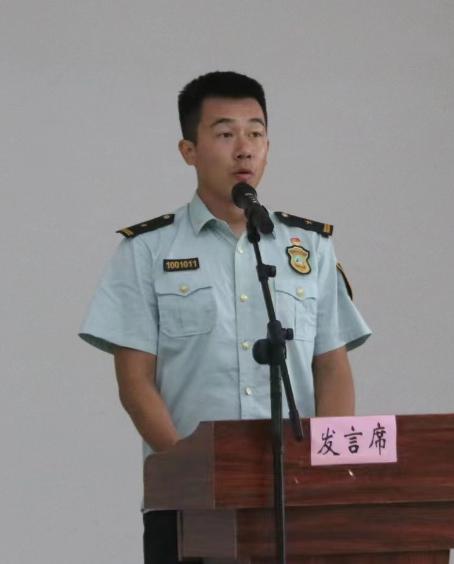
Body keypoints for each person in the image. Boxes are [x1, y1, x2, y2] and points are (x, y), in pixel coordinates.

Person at [79, 71, 371, 564]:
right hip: (186, 502)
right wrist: (191, 471)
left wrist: (327, 471)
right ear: (188, 150)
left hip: (296, 497)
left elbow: (332, 367)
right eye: (225, 133)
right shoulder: (147, 250)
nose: (244, 149)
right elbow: (135, 382)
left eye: (256, 133)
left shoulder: (309, 247)